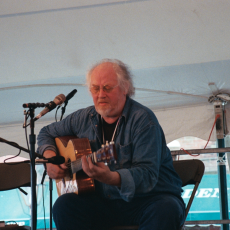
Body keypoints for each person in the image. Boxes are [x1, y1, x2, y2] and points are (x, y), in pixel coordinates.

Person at [37, 59, 185, 230]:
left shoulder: (144, 120)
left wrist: (112, 178)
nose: (100, 94)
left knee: (166, 209)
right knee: (64, 205)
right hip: (103, 202)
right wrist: (51, 158)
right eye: (95, 88)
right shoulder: (84, 118)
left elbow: (147, 175)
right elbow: (45, 133)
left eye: (107, 88)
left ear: (125, 88)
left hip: (148, 199)